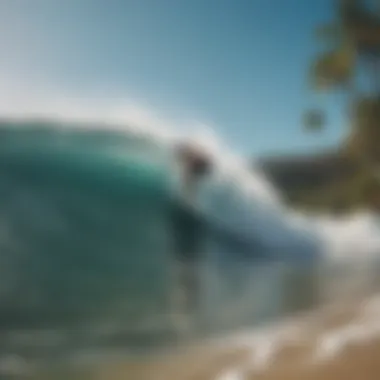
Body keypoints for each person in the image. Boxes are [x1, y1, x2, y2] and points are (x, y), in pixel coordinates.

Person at [170, 141, 212, 333]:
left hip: (188, 222)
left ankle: (188, 307)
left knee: (188, 268)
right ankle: (188, 306)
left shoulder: (192, 169)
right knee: (187, 268)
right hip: (188, 221)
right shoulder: (191, 169)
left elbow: (202, 168)